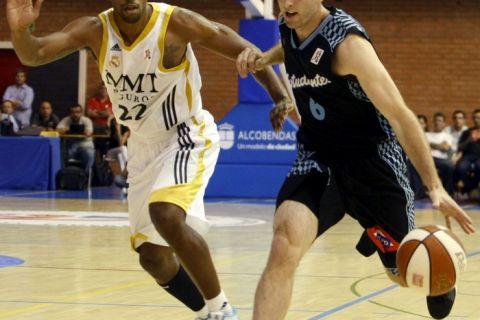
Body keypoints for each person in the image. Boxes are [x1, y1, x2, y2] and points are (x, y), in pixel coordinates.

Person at [6, 0, 291, 319]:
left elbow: (245, 50)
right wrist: (21, 29)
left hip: (184, 133)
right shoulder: (95, 30)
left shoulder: (176, 23)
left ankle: (221, 309)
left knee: (166, 214)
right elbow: (33, 54)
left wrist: (279, 95)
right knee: (153, 258)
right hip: (142, 145)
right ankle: (205, 312)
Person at [236, 1, 475, 319]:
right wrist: (265, 58)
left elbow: (400, 116)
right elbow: (292, 48)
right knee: (284, 242)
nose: (286, 3)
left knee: (404, 273)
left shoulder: (348, 44)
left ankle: (439, 274)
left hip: (373, 165)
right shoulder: (289, 22)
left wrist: (435, 187)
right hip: (319, 158)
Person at [57, 104, 96, 171]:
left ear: (81, 113)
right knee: (58, 152)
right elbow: (57, 131)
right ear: (69, 113)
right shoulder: (66, 120)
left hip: (84, 147)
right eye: (73, 112)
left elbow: (88, 133)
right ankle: (63, 174)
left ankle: (85, 176)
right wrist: (71, 129)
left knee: (90, 154)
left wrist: (70, 130)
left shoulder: (86, 120)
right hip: (70, 148)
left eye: (77, 112)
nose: (75, 114)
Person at [425, 113, 454, 196]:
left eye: (440, 121)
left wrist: (430, 144)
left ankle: (448, 193)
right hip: (428, 159)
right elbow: (424, 147)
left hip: (442, 160)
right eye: (436, 120)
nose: (437, 122)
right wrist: (440, 145)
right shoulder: (427, 134)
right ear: (433, 122)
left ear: (444, 123)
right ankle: (419, 192)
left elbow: (446, 148)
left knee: (449, 166)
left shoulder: (447, 136)